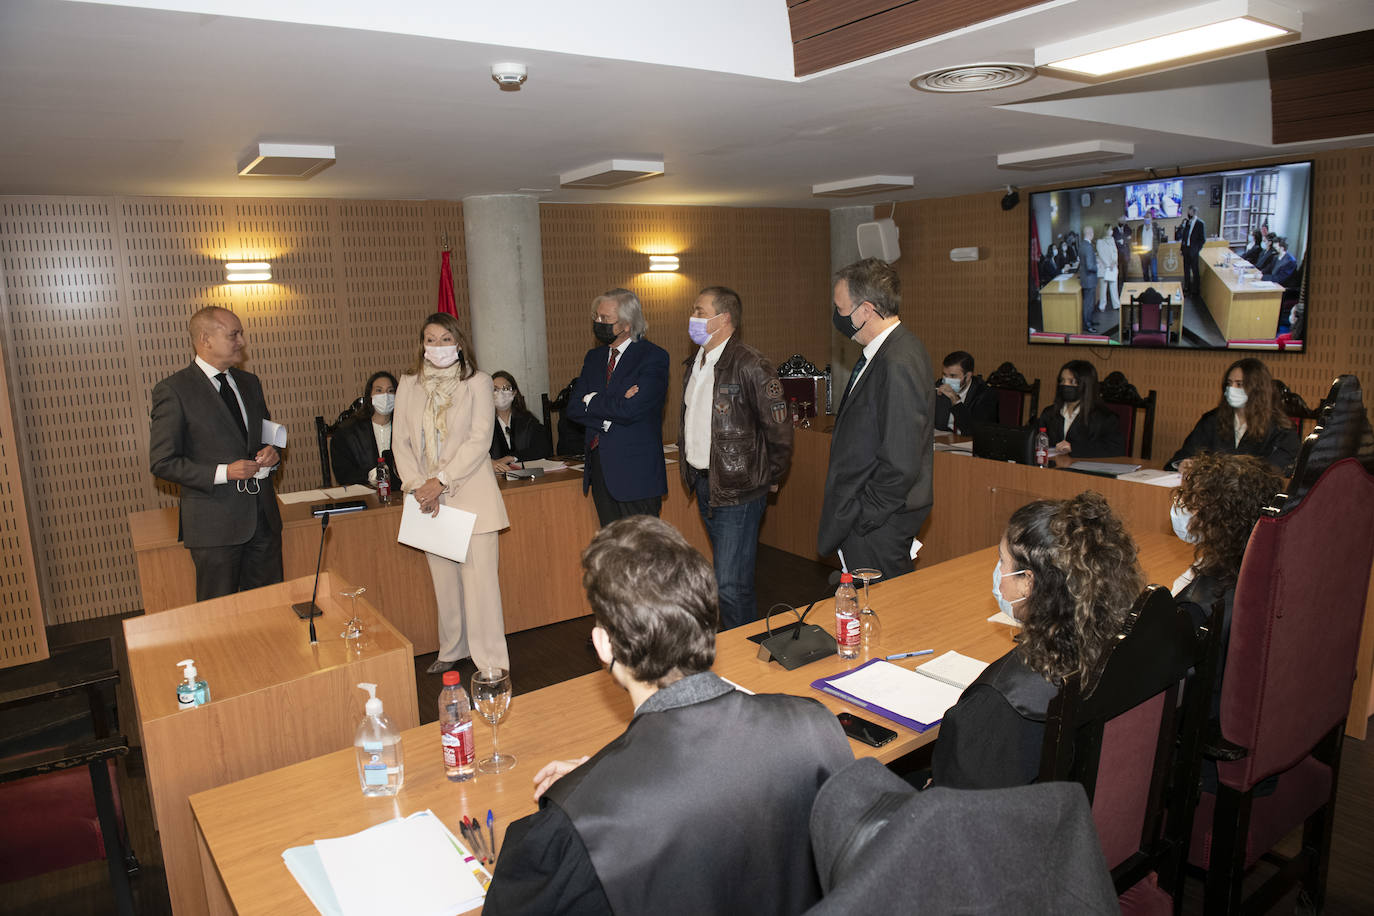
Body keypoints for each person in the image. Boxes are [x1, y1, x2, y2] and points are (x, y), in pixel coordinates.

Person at [485, 516, 853, 915]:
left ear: (604, 646)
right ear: (709, 620)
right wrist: (606, 775)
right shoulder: (814, 726)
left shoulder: (578, 825)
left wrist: (594, 788)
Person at [931, 493, 1144, 789]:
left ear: (1028, 582)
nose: (997, 573)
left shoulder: (996, 702)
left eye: (1002, 561)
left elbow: (955, 804)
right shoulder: (1112, 642)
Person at [392, 312, 510, 676]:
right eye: (431, 338)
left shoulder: (478, 382)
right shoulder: (409, 383)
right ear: (422, 344)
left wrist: (440, 481)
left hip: (469, 495)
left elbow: (478, 441)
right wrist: (417, 485)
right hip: (426, 501)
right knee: (444, 583)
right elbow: (402, 442)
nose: (438, 346)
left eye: (446, 338)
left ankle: (491, 662)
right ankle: (452, 648)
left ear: (459, 342)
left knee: (481, 588)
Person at [677, 286, 793, 630]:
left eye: (700, 311)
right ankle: (738, 648)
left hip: (740, 489)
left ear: (723, 318)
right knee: (728, 579)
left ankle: (742, 662)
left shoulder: (751, 364)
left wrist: (770, 476)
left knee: (730, 584)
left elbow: (779, 430)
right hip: (705, 484)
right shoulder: (696, 363)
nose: (693, 318)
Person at [149, 306, 283, 601]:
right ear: (205, 339)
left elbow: (266, 437)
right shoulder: (174, 390)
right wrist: (225, 472)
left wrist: (273, 455)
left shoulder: (250, 384)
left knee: (270, 611)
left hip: (263, 520)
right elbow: (162, 462)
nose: (242, 342)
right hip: (215, 527)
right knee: (218, 620)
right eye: (234, 334)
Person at [818, 258, 934, 579]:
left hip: (879, 521)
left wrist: (862, 516)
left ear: (866, 310)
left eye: (840, 308)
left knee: (882, 613)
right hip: (873, 517)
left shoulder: (898, 361)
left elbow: (901, 459)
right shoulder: (887, 352)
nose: (837, 316)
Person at [1168, 453, 1284, 716]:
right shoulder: (1263, 566)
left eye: (1193, 502)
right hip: (1255, 711)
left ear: (1216, 519)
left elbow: (1167, 685)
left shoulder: (1198, 605)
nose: (1183, 508)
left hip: (1200, 724)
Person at [565, 288, 670, 525]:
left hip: (637, 473)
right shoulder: (594, 357)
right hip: (601, 469)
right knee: (613, 551)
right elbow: (573, 408)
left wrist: (592, 401)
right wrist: (612, 407)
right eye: (596, 317)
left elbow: (632, 409)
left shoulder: (653, 357)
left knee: (642, 551)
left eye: (605, 318)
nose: (598, 322)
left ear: (627, 324)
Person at [1165, 357, 1299, 473]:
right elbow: (1184, 454)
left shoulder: (1281, 429)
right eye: (1229, 384)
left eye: (1239, 384)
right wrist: (1183, 463)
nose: (1231, 389)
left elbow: (1275, 471)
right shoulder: (1212, 420)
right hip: (1209, 493)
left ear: (1258, 389)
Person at [1034, 360, 1125, 459]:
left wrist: (1074, 448)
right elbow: (1036, 440)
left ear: (1086, 385)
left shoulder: (1105, 418)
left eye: (1072, 382)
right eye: (1062, 381)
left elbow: (1115, 449)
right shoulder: (1049, 413)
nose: (1065, 385)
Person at [330, 370, 402, 490]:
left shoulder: (406, 427)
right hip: (365, 495)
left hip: (400, 494)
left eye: (390, 391)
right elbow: (343, 474)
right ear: (370, 396)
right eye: (379, 390)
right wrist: (369, 476)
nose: (385, 396)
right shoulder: (347, 432)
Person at [489, 370, 552, 473]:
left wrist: (511, 458)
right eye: (495, 389)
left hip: (525, 476)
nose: (500, 393)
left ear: (514, 393)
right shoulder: (483, 423)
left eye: (506, 388)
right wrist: (490, 462)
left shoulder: (527, 420)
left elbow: (543, 448)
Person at [934, 350, 998, 434]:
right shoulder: (940, 386)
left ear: (967, 376)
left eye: (953, 376)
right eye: (945, 375)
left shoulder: (985, 394)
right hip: (944, 440)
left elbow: (974, 431)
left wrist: (955, 401)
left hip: (969, 443)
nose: (947, 381)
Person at [1178, 205, 1206, 295]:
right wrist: (1181, 249)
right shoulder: (1187, 222)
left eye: (1189, 212)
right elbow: (1184, 237)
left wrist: (1196, 249)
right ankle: (1187, 287)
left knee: (1195, 270)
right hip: (1186, 249)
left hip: (1194, 250)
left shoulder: (1200, 223)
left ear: (1194, 212)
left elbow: (1202, 240)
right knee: (1186, 269)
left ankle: (1195, 289)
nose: (1188, 214)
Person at [1076, 226, 1099, 333]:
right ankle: (1087, 325)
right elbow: (1090, 266)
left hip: (1086, 279)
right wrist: (1098, 267)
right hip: (1090, 279)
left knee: (1089, 303)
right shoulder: (1088, 247)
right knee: (1088, 304)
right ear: (1090, 233)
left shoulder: (1082, 245)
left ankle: (1090, 320)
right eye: (1093, 232)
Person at [1094, 224, 1120, 316]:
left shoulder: (1112, 240)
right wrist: (1108, 265)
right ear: (1106, 230)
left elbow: (1115, 252)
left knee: (1114, 287)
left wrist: (1114, 261)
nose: (1111, 231)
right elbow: (1101, 254)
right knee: (1103, 289)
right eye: (1110, 230)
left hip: (1113, 267)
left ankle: (1116, 304)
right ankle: (1102, 306)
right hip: (1104, 268)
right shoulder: (1100, 241)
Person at [1113, 220, 1131, 296]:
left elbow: (1129, 238)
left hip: (1125, 253)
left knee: (1125, 269)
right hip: (1117, 253)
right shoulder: (1114, 230)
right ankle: (1117, 285)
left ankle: (1125, 284)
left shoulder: (1127, 228)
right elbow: (1114, 240)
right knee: (1118, 270)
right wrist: (1122, 241)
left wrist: (1123, 240)